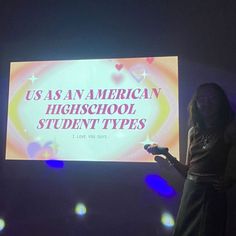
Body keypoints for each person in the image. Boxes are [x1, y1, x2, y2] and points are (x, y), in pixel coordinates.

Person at [146, 83, 236, 236]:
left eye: (211, 98)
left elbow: (231, 171)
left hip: (211, 195)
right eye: (202, 98)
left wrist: (230, 179)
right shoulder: (193, 132)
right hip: (190, 192)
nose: (206, 103)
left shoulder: (230, 129)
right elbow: (188, 171)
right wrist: (166, 154)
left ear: (221, 101)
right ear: (196, 104)